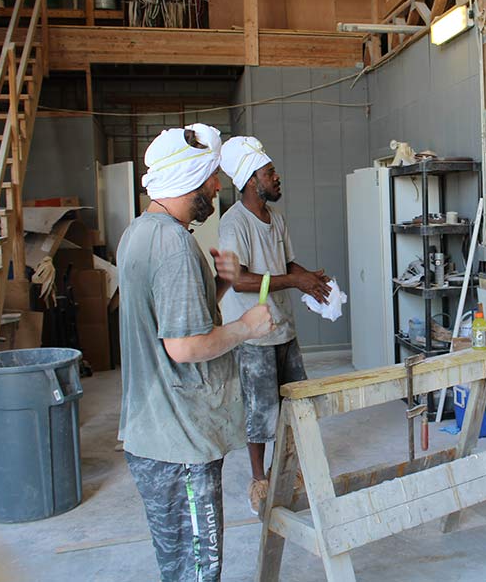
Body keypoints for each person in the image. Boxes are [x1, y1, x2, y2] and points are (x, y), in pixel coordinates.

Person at [117, 123, 275, 582]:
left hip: (155, 434)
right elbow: (183, 346)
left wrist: (222, 283)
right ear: (190, 179)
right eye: (210, 177)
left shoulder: (141, 232)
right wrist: (246, 327)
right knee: (199, 570)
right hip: (178, 442)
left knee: (180, 566)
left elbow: (175, 321)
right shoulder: (173, 244)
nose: (217, 185)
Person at [217, 136, 332, 516]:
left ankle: (284, 470)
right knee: (259, 412)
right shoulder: (234, 223)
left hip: (284, 327)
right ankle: (259, 480)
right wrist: (294, 281)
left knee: (293, 403)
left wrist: (310, 279)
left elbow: (286, 265)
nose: (277, 177)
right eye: (270, 172)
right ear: (252, 180)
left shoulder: (276, 220)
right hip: (253, 333)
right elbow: (240, 281)